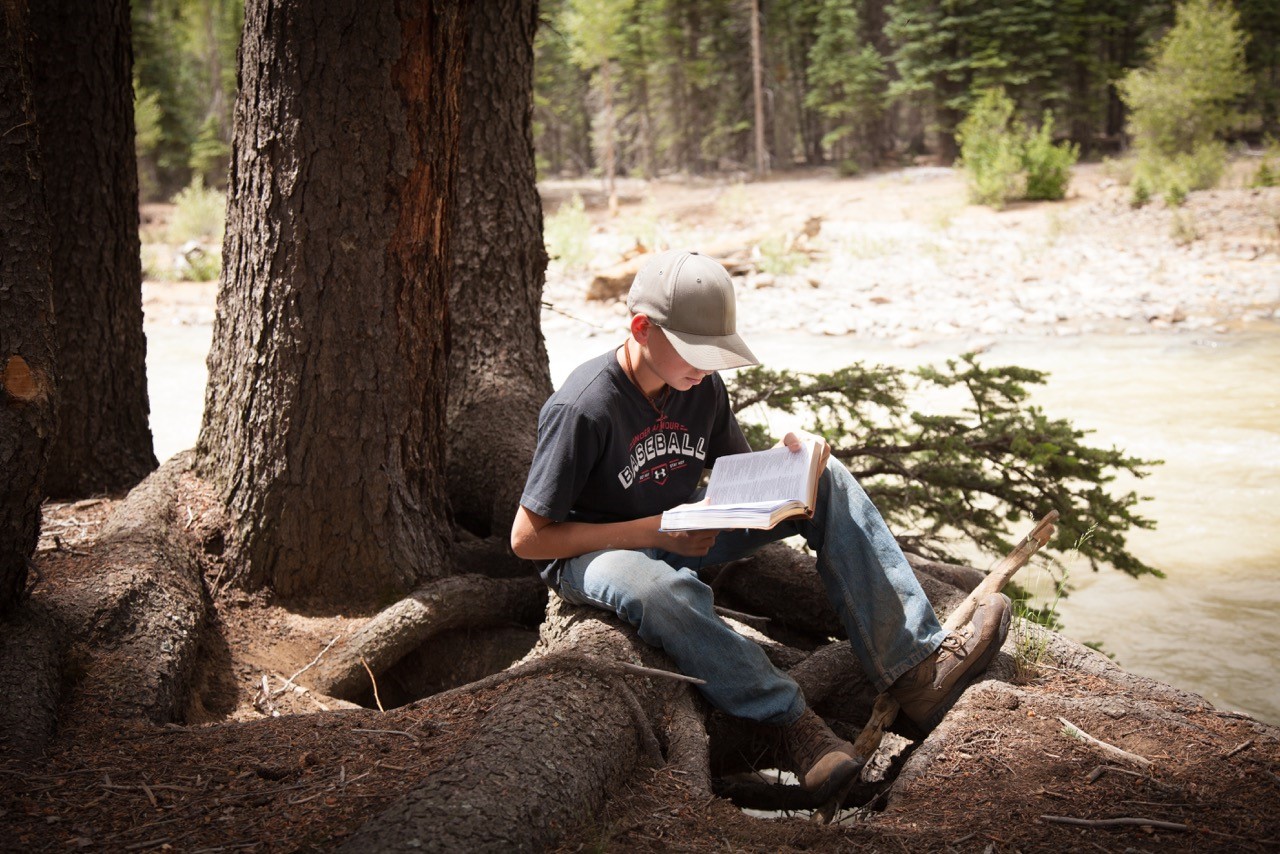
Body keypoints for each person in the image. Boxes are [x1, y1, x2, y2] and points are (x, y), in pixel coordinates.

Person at [511, 249, 1010, 800]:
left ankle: (914, 667)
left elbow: (735, 477)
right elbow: (529, 539)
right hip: (598, 553)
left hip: (683, 526)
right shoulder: (584, 407)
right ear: (641, 328)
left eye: (713, 354)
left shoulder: (699, 387)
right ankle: (792, 725)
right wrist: (653, 531)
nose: (704, 368)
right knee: (656, 590)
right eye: (694, 352)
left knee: (828, 479)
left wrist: (787, 464)